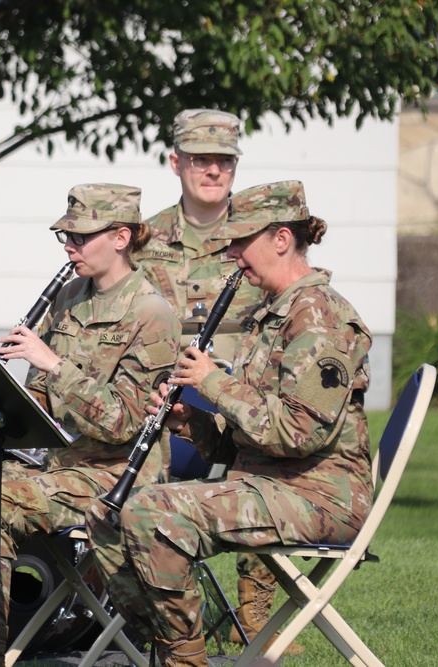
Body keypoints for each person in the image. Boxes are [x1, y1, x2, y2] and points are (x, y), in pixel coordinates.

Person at [85, 181, 373, 667]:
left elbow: (297, 434)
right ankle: (170, 645)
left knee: (156, 511)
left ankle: (182, 658)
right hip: (274, 481)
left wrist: (213, 382)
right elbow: (250, 440)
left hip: (321, 495)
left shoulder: (320, 319)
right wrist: (190, 421)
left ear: (281, 239)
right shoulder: (274, 315)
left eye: (242, 242)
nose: (234, 256)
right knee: (112, 512)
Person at [0, 184, 181, 667]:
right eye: (65, 238)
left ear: (120, 237)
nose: (69, 247)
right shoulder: (70, 297)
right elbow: (39, 402)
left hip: (114, 477)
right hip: (56, 468)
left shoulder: (151, 314)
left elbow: (124, 423)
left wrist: (55, 366)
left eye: (79, 237)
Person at [133, 109, 302, 654]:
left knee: (260, 447)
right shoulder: (144, 238)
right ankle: (135, 600)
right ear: (175, 162)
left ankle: (253, 615)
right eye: (200, 159)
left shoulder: (262, 235)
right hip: (164, 392)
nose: (213, 170)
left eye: (224, 160)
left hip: (243, 390)